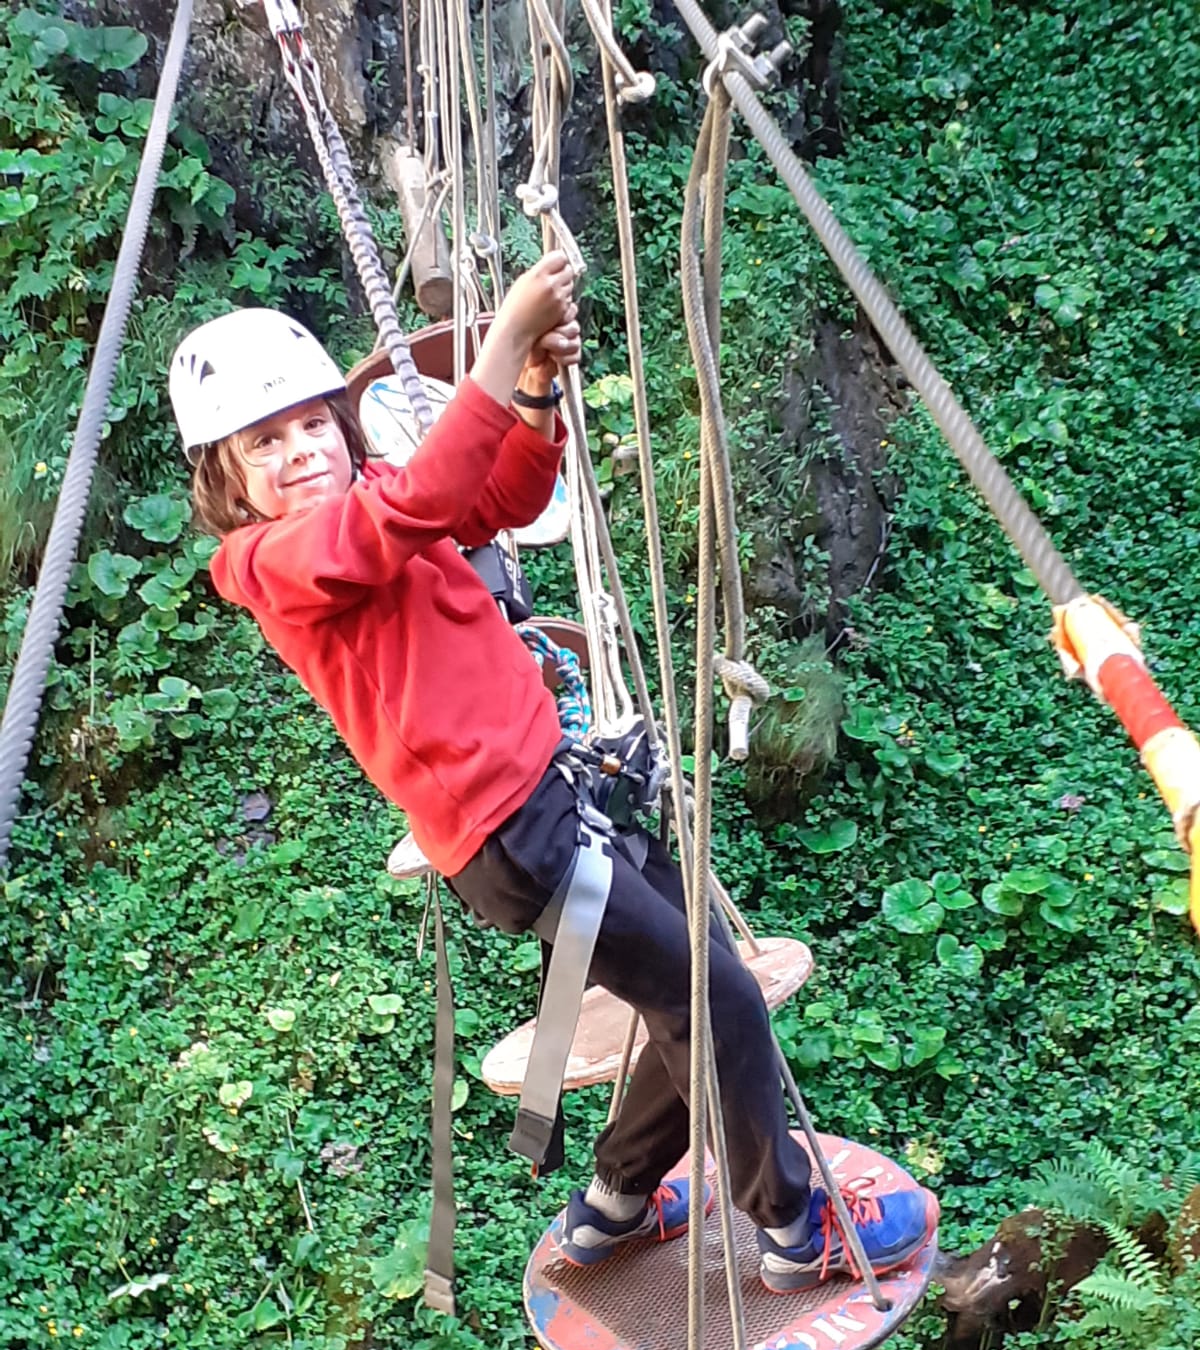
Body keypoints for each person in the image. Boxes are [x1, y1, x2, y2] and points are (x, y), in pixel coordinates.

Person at [168, 250, 937, 1291]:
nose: (301, 450)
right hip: (517, 837)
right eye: (265, 442)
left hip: (563, 794)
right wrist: (500, 347)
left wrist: (531, 395)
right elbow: (413, 509)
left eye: (313, 424)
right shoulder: (269, 564)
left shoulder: (379, 494)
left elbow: (496, 497)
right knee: (715, 996)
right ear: (225, 478)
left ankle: (616, 1201)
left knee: (699, 977)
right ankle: (799, 1231)